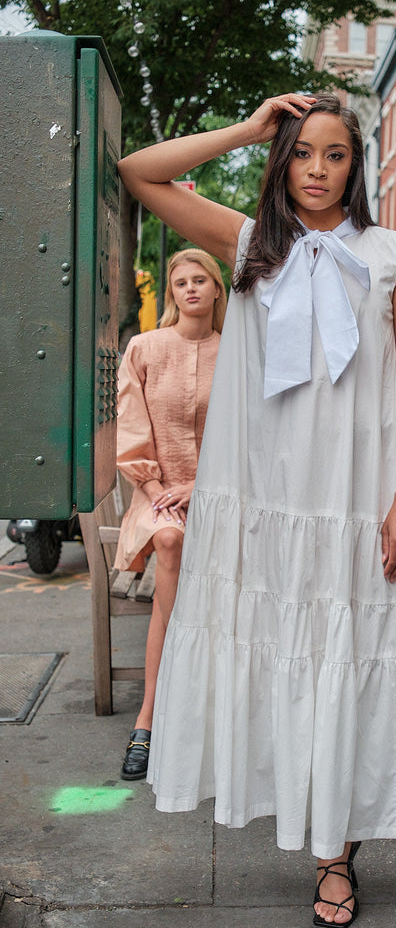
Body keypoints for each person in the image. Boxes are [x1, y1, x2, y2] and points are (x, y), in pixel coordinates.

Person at [117, 94, 396, 928]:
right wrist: (247, 128)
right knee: (317, 662)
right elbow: (138, 172)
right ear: (284, 160)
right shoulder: (247, 246)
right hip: (281, 504)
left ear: (356, 164)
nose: (317, 169)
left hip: (377, 494)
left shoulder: (393, 254)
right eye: (302, 152)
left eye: (336, 154)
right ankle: (331, 853)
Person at [114, 248, 226, 781]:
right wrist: (163, 489)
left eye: (200, 280)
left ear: (217, 289)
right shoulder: (144, 347)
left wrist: (202, 488)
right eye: (180, 281)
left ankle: (221, 719)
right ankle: (149, 719)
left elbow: (252, 443)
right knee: (171, 542)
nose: (189, 289)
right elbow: (132, 432)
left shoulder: (237, 354)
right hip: (156, 498)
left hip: (224, 496)